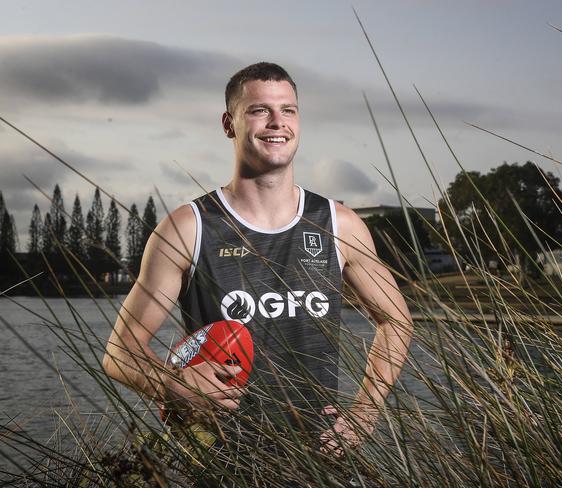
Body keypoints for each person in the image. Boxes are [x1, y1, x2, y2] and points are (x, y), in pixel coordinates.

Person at [102, 62, 413, 460]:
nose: (276, 122)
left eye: (288, 110)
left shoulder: (340, 224)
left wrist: (364, 414)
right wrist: (176, 385)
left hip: (319, 457)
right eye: (259, 110)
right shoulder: (188, 228)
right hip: (221, 459)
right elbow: (120, 353)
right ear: (229, 123)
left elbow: (397, 322)